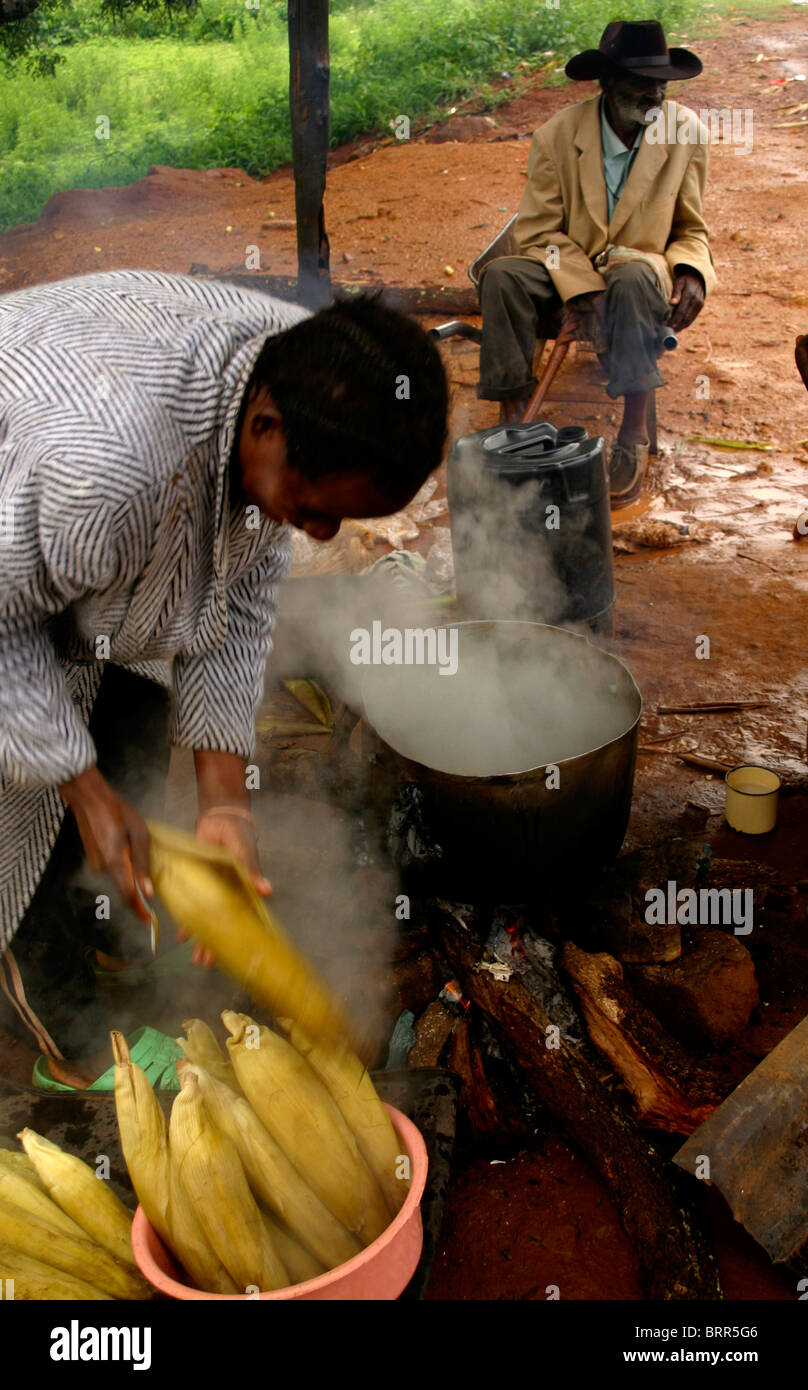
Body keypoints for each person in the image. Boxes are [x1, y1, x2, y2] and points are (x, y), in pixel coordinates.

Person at [0, 269, 448, 1089]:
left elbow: (240, 602)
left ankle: (94, 912)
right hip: (19, 529)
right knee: (26, 809)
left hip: (73, 522)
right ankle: (60, 1024)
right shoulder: (106, 471)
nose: (321, 531)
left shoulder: (301, 370)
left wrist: (226, 806)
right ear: (266, 427)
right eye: (316, 506)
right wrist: (83, 791)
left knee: (123, 706)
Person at [477, 19, 716, 507]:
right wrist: (582, 289)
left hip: (639, 271)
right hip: (565, 266)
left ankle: (632, 436)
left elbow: (690, 229)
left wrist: (692, 270)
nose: (654, 95)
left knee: (628, 278)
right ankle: (516, 420)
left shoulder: (685, 132)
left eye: (661, 84)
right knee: (501, 275)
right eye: (640, 83)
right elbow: (538, 234)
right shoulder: (556, 137)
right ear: (607, 83)